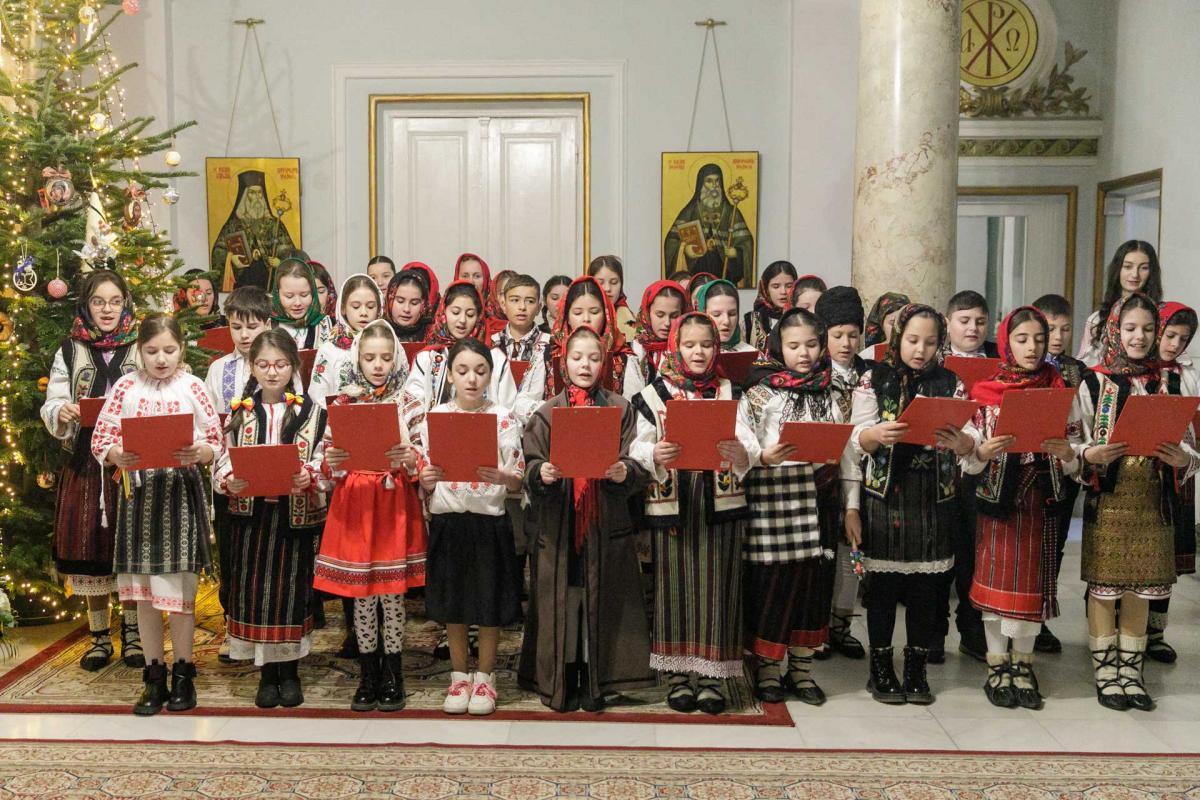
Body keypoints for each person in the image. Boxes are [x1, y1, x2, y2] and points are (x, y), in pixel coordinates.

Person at [1066, 292, 1195, 711]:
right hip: (1110, 501)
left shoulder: (1171, 381)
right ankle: (1106, 673)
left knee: (1142, 588)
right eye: (1130, 328)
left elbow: (1190, 444)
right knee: (1105, 590)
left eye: (1148, 329)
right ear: (1114, 330)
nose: (1139, 337)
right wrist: (1090, 454)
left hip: (1153, 502)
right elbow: (1072, 444)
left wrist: (1184, 459)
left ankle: (1131, 672)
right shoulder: (1093, 382)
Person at [90, 314, 223, 715]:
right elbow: (101, 437)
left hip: (180, 494)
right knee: (145, 594)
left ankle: (184, 673)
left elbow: (215, 438)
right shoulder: (126, 387)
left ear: (181, 349)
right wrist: (115, 453)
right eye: (151, 351)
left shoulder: (193, 386)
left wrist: (201, 451)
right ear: (139, 351)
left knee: (180, 592)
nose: (161, 359)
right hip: (140, 498)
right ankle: (153, 676)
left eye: (169, 350)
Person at [518, 325, 654, 711]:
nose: (585, 365)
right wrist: (541, 473)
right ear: (563, 363)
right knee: (564, 599)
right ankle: (563, 678)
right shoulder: (547, 413)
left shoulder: (620, 409)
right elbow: (529, 464)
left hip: (604, 522)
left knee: (602, 601)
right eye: (577, 358)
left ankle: (596, 679)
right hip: (559, 524)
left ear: (604, 362)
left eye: (594, 358)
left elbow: (639, 461)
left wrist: (625, 471)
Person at [738, 307, 862, 706]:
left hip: (821, 498)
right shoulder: (760, 392)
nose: (804, 353)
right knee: (775, 586)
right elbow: (743, 442)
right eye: (794, 346)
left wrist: (851, 506)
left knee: (814, 586)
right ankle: (768, 669)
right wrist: (763, 456)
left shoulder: (836, 391)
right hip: (774, 499)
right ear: (779, 346)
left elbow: (848, 452)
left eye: (811, 344)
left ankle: (802, 669)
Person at [631, 312, 753, 714]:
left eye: (706, 344)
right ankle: (678, 675)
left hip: (720, 502)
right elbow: (634, 446)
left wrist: (742, 454)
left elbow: (749, 442)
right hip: (674, 503)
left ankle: (712, 676)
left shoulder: (730, 391)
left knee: (718, 587)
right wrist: (654, 452)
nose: (698, 352)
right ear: (675, 348)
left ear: (716, 347)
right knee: (674, 588)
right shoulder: (653, 395)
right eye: (689, 345)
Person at [851, 304, 973, 705]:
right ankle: (880, 668)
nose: (921, 350)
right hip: (886, 495)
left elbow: (969, 436)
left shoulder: (951, 382)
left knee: (926, 588)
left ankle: (917, 668)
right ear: (898, 337)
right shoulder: (874, 378)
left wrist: (963, 442)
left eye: (931, 342)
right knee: (883, 588)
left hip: (934, 497)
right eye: (913, 340)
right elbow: (855, 437)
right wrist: (875, 435)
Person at [959, 307, 1073, 710]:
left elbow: (1077, 448)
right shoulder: (985, 391)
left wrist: (1068, 453)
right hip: (998, 502)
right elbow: (969, 455)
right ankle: (997, 664)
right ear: (1006, 342)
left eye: (1039, 339)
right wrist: (982, 452)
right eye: (1022, 339)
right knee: (996, 582)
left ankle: (1024, 665)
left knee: (1030, 588)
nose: (1032, 347)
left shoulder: (1059, 389)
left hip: (1041, 500)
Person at [317, 320, 426, 712]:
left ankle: (393, 672)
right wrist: (333, 460)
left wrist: (410, 457)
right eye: (369, 358)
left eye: (385, 357)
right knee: (363, 595)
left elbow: (424, 454)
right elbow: (326, 458)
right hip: (357, 503)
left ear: (396, 358)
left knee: (391, 594)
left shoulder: (409, 401)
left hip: (393, 502)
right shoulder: (344, 403)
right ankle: (368, 672)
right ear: (357, 359)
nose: (378, 365)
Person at [214, 329, 327, 708]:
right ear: (252, 367)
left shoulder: (313, 413)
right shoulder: (241, 412)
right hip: (253, 518)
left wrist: (309, 475)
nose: (272, 372)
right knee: (257, 591)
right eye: (263, 364)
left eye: (280, 364)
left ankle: (290, 671)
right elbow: (223, 458)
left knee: (291, 592)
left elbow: (324, 458)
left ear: (293, 366)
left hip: (294, 519)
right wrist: (231, 479)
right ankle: (266, 673)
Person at [41, 270, 143, 671]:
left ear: (125, 303)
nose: (107, 309)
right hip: (85, 464)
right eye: (98, 302)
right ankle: (99, 636)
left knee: (130, 551)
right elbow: (54, 399)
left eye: (115, 301)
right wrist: (62, 410)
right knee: (90, 550)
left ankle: (133, 633)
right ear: (86, 305)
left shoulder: (141, 343)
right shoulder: (70, 349)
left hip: (131, 463)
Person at [417, 338, 525, 716]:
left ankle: (485, 677)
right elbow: (425, 471)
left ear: (490, 376)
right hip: (449, 520)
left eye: (480, 371)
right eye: (462, 371)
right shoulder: (436, 417)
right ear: (449, 375)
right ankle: (459, 675)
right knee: (455, 603)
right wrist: (426, 478)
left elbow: (517, 477)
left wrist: (502, 476)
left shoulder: (503, 417)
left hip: (488, 521)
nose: (471, 379)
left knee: (488, 602)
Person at [203, 286, 275, 663]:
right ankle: (233, 627)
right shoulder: (219, 370)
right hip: (230, 477)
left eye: (252, 326)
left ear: (268, 324)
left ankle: (268, 628)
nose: (244, 335)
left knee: (266, 556)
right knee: (232, 556)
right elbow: (210, 424)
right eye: (236, 327)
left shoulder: (280, 363)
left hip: (270, 476)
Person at [934, 289, 998, 664]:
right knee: (941, 553)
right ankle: (933, 633)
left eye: (980, 321)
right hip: (940, 466)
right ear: (948, 323)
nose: (972, 328)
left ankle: (972, 631)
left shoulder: (998, 362)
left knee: (975, 554)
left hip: (982, 467)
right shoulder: (935, 359)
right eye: (964, 320)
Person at [813, 285, 871, 661]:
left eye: (853, 334)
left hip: (865, 473)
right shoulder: (814, 375)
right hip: (824, 477)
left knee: (853, 553)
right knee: (823, 556)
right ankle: (818, 626)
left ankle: (842, 625)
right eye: (837, 335)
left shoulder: (871, 375)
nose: (846, 343)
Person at [1145, 301, 1198, 663]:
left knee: (1165, 556)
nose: (1175, 344)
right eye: (1170, 335)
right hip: (1138, 474)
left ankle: (1155, 632)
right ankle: (1117, 628)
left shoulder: (1188, 376)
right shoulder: (1136, 371)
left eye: (1183, 338)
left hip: (1176, 473)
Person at [544, 276, 644, 401]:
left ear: (606, 315)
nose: (586, 319)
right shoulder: (548, 354)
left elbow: (635, 405)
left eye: (594, 312)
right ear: (567, 317)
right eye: (578, 313)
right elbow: (525, 400)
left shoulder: (623, 357)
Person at [663, 163, 753, 284]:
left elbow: (746, 243)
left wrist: (736, 252)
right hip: (695, 273)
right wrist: (684, 249)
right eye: (709, 181)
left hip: (723, 274)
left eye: (717, 181)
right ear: (701, 184)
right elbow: (671, 241)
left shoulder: (731, 212)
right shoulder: (690, 211)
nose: (714, 186)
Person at [1078, 240, 1163, 366]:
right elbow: (1085, 364)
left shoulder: (1163, 316)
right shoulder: (1097, 320)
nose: (1135, 274)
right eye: (1128, 267)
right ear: (1118, 269)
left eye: (1144, 268)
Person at [309, 274, 382, 408]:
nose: (364, 312)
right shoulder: (329, 350)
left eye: (371, 306)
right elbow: (318, 397)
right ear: (343, 308)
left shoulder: (389, 344)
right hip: (336, 419)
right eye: (356, 306)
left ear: (379, 309)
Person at [631, 280, 689, 386]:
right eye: (660, 315)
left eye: (674, 316)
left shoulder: (689, 349)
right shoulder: (634, 351)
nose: (667, 323)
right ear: (647, 313)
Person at [270, 257, 332, 351]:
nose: (298, 303)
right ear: (277, 295)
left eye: (304, 295)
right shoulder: (267, 325)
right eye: (289, 296)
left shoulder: (330, 326)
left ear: (313, 293)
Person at [743, 260, 797, 352]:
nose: (783, 292)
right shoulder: (750, 322)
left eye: (789, 286)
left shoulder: (802, 318)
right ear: (766, 289)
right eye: (776, 286)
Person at [694, 278, 756, 353]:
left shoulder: (751, 354)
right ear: (702, 314)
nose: (726, 321)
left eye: (732, 314)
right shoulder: (691, 354)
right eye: (716, 315)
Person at [587, 255, 638, 340]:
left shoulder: (629, 318)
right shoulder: (582, 315)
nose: (607, 288)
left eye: (614, 282)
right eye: (600, 283)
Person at [384, 269, 432, 343]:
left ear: (424, 305)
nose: (406, 309)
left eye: (414, 303)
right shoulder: (377, 332)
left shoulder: (433, 335)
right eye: (400, 301)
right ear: (390, 300)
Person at [860, 292, 910, 357]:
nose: (897, 328)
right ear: (882, 325)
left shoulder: (917, 351)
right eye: (892, 323)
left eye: (903, 322)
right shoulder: (869, 354)